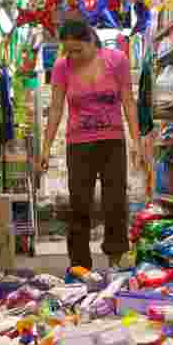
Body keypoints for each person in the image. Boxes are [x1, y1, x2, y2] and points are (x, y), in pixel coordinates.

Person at [38, 18, 144, 270]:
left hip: (112, 143)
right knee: (79, 206)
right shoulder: (62, 67)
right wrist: (45, 147)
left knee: (115, 202)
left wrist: (136, 143)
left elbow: (128, 102)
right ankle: (79, 266)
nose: (72, 56)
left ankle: (115, 260)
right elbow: (55, 109)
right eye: (68, 51)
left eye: (78, 50)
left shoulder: (116, 60)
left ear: (91, 41)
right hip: (78, 145)